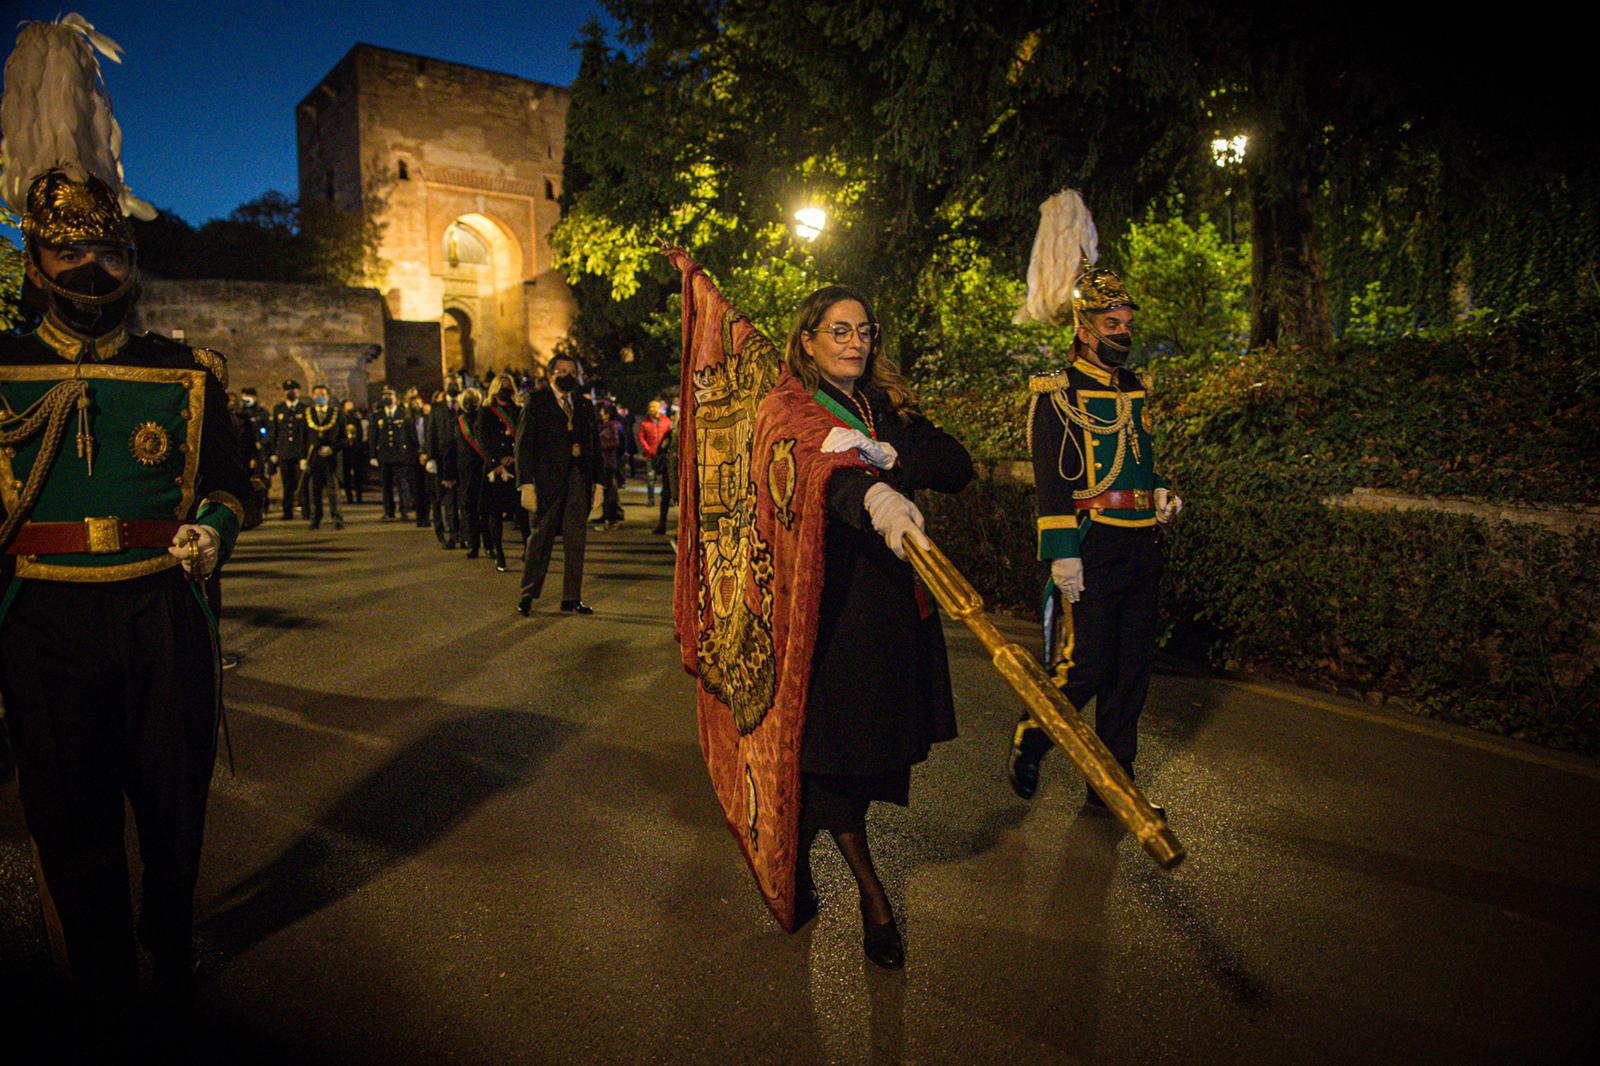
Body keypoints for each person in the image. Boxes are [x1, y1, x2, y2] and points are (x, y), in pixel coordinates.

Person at [0, 18, 254, 1031]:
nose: (96, 269)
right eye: (75, 252)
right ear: (38, 258)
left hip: (159, 612)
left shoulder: (183, 372)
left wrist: (213, 534)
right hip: (43, 614)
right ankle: (103, 971)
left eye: (110, 251)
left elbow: (234, 488)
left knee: (172, 797)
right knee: (68, 811)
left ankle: (168, 931)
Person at [772, 284, 972, 968]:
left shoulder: (884, 405)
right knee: (836, 758)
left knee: (863, 755)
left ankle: (791, 855)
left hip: (892, 603)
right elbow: (819, 478)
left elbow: (957, 466)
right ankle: (873, 899)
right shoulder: (793, 408)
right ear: (808, 339)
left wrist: (892, 457)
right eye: (838, 331)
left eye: (862, 330)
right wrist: (869, 490)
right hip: (830, 608)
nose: (854, 342)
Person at [1008, 267, 1184, 813]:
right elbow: (1051, 481)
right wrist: (1062, 554)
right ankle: (1033, 737)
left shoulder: (1134, 388)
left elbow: (1137, 463)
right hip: (1092, 542)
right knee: (1086, 663)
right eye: (1112, 323)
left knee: (1132, 668)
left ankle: (1112, 787)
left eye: (1128, 323)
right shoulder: (1057, 392)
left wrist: (1158, 493)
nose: (1123, 333)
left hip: (1140, 542)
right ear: (1085, 328)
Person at [515, 354, 602, 615]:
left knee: (576, 540)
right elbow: (523, 444)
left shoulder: (584, 405)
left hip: (578, 478)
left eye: (572, 371)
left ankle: (572, 596)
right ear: (551, 374)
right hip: (547, 481)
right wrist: (526, 483)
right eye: (562, 370)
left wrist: (599, 483)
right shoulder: (537, 401)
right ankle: (528, 594)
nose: (567, 375)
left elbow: (595, 445)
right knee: (540, 538)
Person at [478, 374, 522, 571]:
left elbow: (524, 437)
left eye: (509, 387)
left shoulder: (518, 411)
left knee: (522, 511)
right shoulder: (486, 412)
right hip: (496, 468)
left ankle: (528, 549)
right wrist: (496, 460)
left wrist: (515, 456)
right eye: (502, 388)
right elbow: (483, 439)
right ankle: (499, 552)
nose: (506, 391)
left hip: (516, 465)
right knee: (495, 512)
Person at [445, 387, 486, 557]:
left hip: (482, 468)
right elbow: (451, 450)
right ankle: (474, 544)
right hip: (466, 472)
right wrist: (449, 474)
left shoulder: (485, 419)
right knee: (469, 509)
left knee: (483, 508)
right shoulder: (457, 423)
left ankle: (489, 545)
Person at [369, 386, 416, 520]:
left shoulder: (403, 413)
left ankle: (404, 509)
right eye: (384, 395)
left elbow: (410, 434)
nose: (387, 398)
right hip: (384, 455)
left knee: (402, 484)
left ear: (396, 398)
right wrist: (372, 455)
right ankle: (389, 510)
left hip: (400, 454)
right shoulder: (378, 416)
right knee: (386, 485)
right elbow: (373, 436)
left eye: (390, 395)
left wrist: (412, 452)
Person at [302, 384, 345, 530]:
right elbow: (303, 437)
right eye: (317, 394)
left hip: (331, 458)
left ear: (328, 396)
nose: (320, 397)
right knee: (314, 491)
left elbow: (344, 438)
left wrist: (332, 449)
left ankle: (337, 518)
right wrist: (302, 458)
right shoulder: (307, 414)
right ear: (313, 396)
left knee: (333, 490)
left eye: (323, 394)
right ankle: (315, 519)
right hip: (314, 458)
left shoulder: (336, 413)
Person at [427, 383, 463, 548]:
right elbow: (431, 434)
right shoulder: (437, 408)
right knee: (447, 499)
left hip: (462, 458)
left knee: (461, 499)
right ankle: (449, 534)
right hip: (443, 459)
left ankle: (462, 534)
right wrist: (431, 458)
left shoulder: (463, 405)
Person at [269, 378, 309, 519]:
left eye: (294, 390)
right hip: (285, 452)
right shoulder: (279, 409)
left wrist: (305, 455)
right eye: (288, 390)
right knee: (287, 484)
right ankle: (287, 512)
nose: (291, 392)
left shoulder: (304, 409)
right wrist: (273, 452)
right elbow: (274, 431)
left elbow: (306, 434)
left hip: (299, 452)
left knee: (302, 483)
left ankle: (306, 511)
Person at [596, 401, 626, 529]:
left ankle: (612, 518)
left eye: (602, 411)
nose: (600, 413)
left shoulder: (612, 426)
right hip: (605, 462)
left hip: (609, 462)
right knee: (607, 489)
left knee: (610, 491)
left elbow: (616, 443)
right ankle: (607, 516)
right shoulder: (604, 426)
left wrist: (599, 446)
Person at [638, 398, 670, 506]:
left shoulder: (666, 421)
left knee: (666, 477)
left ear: (659, 408)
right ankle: (651, 499)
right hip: (650, 454)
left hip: (663, 454)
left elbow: (669, 436)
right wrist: (647, 448)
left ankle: (667, 498)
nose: (651, 409)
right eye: (650, 407)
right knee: (650, 477)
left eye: (654, 407)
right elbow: (641, 437)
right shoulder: (644, 423)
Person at [340, 398, 366, 503]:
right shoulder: (341, 420)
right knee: (346, 474)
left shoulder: (356, 420)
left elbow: (359, 434)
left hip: (356, 450)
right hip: (345, 450)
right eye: (348, 406)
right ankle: (349, 496)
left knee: (358, 473)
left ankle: (359, 495)